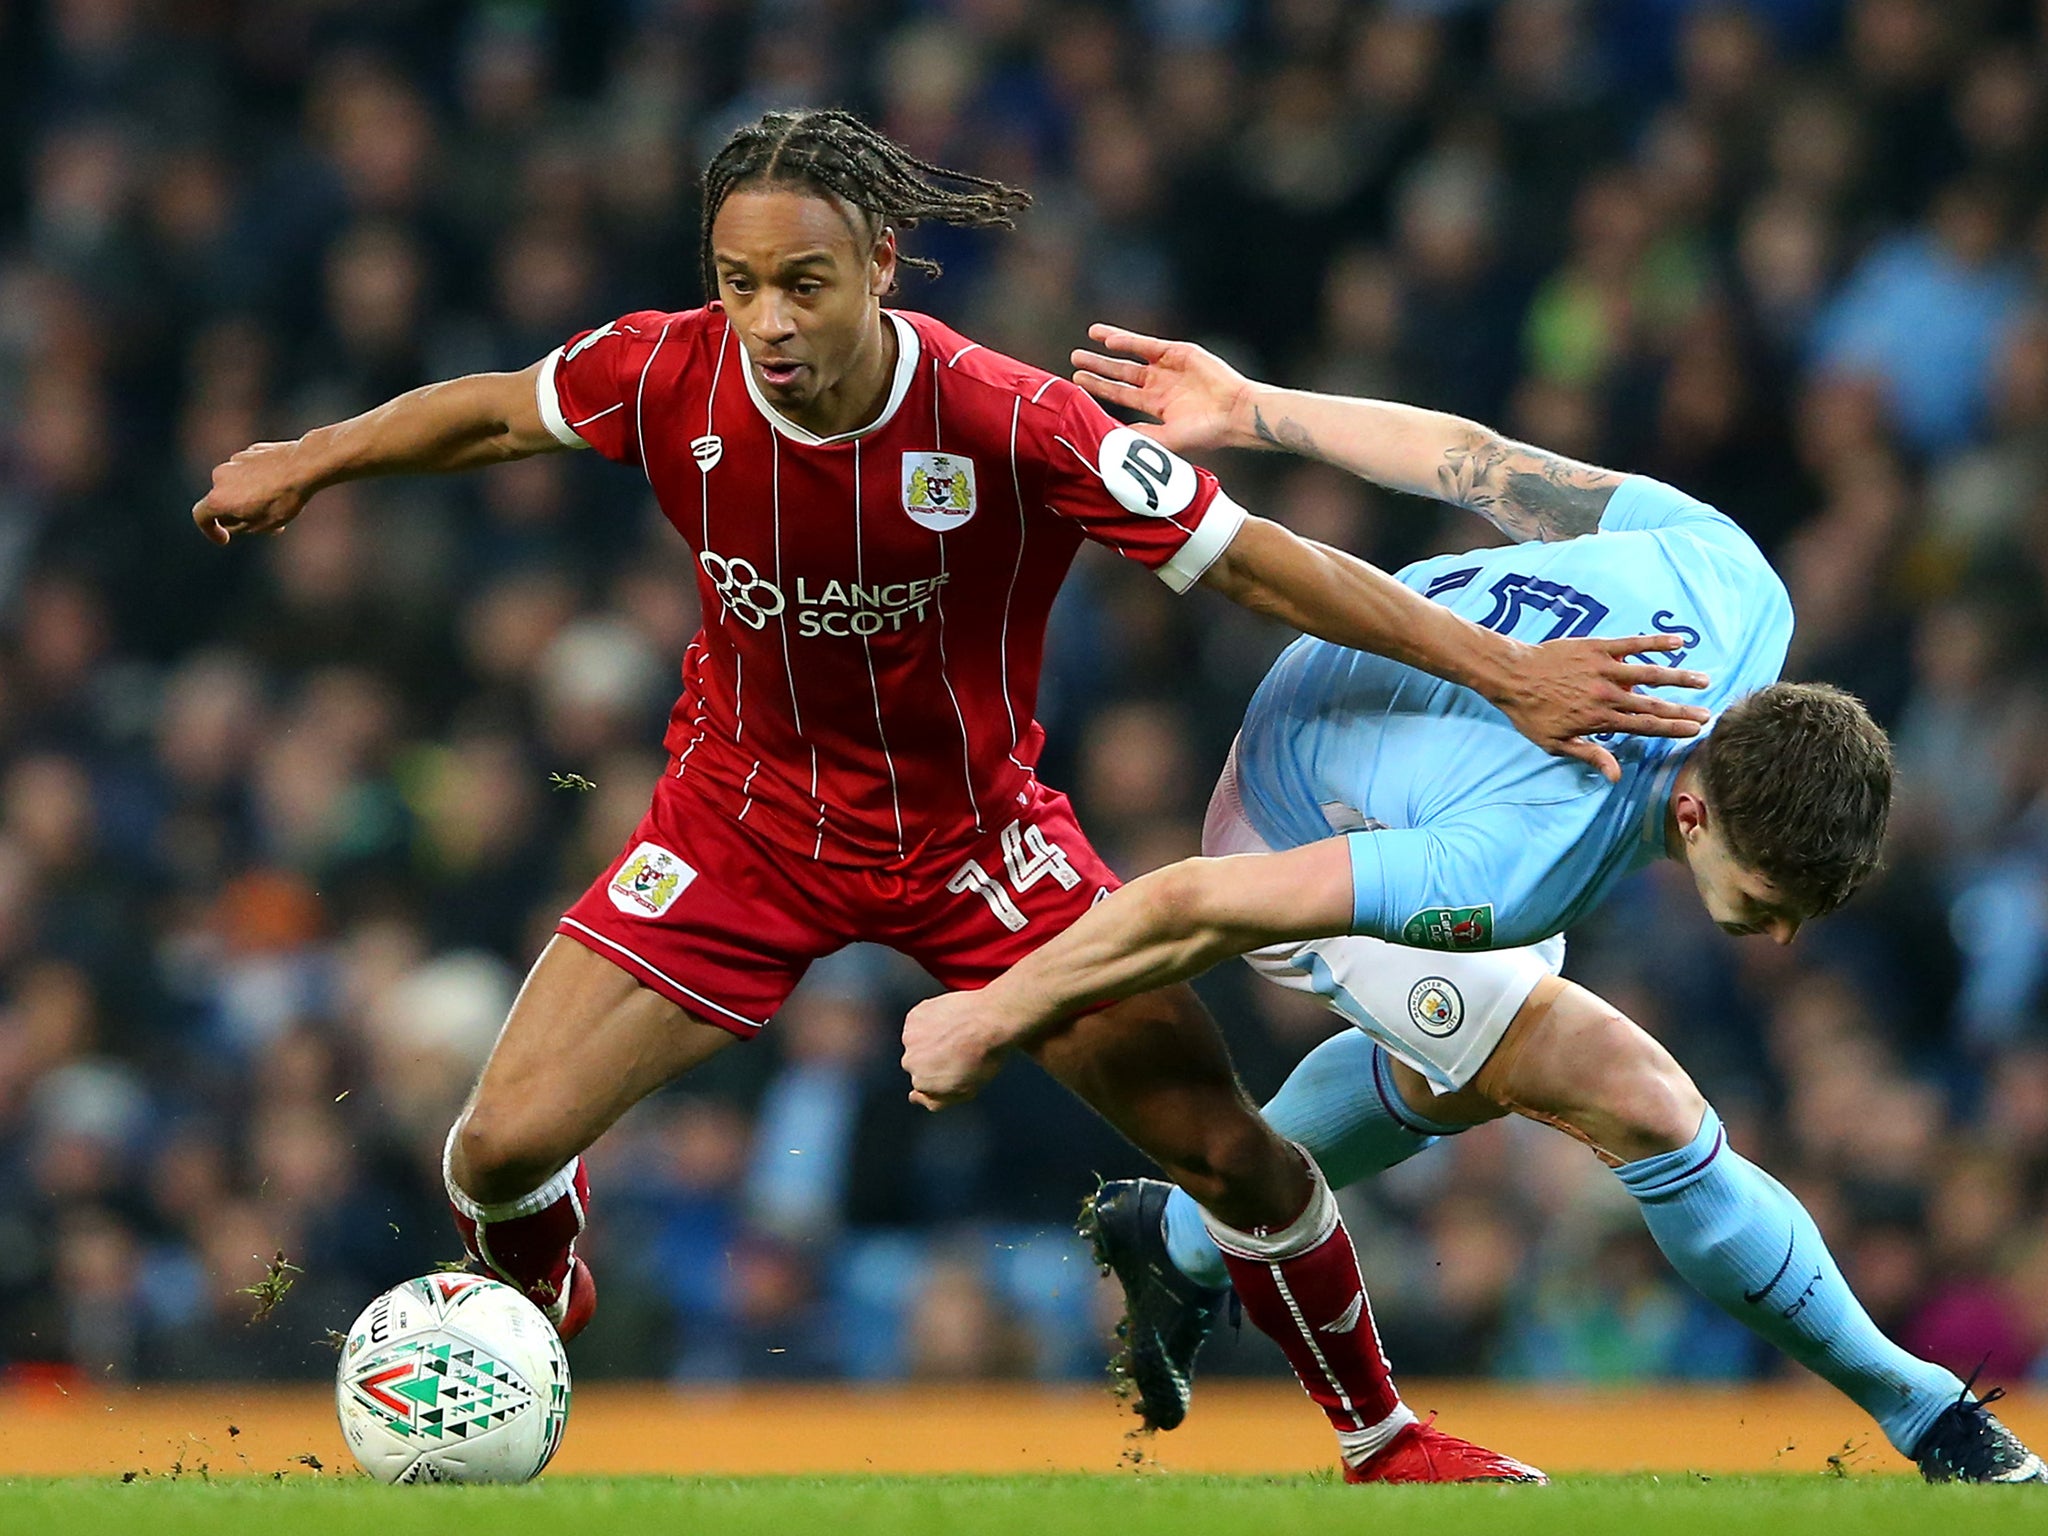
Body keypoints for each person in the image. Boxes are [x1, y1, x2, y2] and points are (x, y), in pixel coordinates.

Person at [190, 110, 1702, 1483]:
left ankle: (1384, 1440)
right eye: (739, 283)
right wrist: (312, 458)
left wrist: (1504, 669)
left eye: (804, 283)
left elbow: (1258, 560)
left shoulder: (1008, 420)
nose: (769, 323)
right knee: (493, 1152)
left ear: (882, 264)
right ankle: (541, 1309)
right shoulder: (663, 369)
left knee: (1227, 1149)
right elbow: (493, 412)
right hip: (739, 828)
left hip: (979, 848)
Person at [899, 326, 2048, 1485]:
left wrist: (1252, 408)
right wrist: (995, 1010)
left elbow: (1477, 462)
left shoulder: (1734, 587)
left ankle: (1180, 1242)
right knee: (1638, 1102)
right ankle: (1929, 1415)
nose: (1782, 937)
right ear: (1695, 817)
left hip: (1402, 730)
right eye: (1768, 897)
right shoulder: (1514, 861)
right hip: (1304, 811)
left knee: (1456, 1071)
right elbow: (1200, 903)